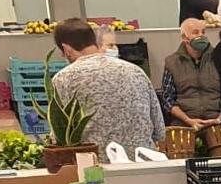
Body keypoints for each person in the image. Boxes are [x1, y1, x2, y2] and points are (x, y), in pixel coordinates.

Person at [50, 18, 164, 155]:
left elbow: (58, 138)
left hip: (96, 169)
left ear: (66, 49)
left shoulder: (64, 79)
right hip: (145, 164)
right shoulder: (136, 71)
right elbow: (159, 131)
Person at [159, 18, 221, 128]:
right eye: (195, 32)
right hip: (184, 124)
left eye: (203, 32)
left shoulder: (218, 57)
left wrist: (219, 119)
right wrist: (189, 120)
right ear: (184, 38)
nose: (201, 36)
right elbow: (167, 99)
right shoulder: (172, 62)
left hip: (216, 122)